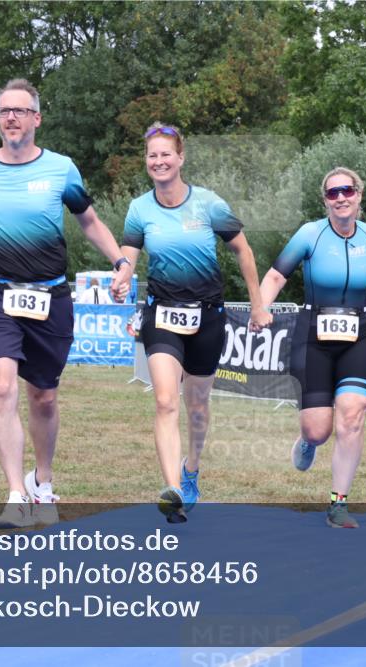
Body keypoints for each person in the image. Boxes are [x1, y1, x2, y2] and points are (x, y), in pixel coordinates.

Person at [0, 78, 134, 529]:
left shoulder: (61, 169)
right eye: (4, 111)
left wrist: (119, 259)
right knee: (2, 386)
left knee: (43, 396)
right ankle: (15, 494)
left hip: (49, 296)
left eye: (20, 111)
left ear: (36, 118)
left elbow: (89, 220)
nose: (11, 118)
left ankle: (41, 481)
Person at [120, 122, 270, 524]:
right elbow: (129, 257)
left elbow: (244, 251)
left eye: (166, 154)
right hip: (162, 314)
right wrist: (121, 278)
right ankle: (171, 489)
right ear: (146, 162)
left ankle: (191, 470)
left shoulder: (209, 204)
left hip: (207, 316)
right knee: (166, 400)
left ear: (181, 158)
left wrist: (258, 306)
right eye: (152, 155)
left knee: (197, 407)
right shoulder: (139, 209)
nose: (159, 161)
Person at [257, 167, 366, 529]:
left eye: (347, 191)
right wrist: (261, 306)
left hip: (357, 335)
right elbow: (275, 276)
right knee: (319, 430)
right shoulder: (309, 234)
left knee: (353, 413)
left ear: (359, 195)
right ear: (325, 201)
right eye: (333, 193)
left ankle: (338, 504)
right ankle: (307, 441)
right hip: (313, 336)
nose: (341, 197)